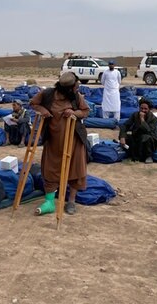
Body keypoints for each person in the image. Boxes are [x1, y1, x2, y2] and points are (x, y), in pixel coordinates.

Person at [30, 72, 90, 216]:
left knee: (75, 169)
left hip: (74, 140)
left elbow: (85, 111)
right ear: (67, 88)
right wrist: (43, 110)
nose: (77, 88)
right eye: (75, 86)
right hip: (53, 140)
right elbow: (33, 103)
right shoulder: (48, 94)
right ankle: (50, 202)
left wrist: (74, 112)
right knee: (50, 169)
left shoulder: (76, 97)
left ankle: (71, 201)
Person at [119, 98, 157, 164]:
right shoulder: (135, 115)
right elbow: (125, 126)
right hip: (137, 135)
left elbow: (148, 130)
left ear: (149, 109)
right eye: (141, 108)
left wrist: (142, 120)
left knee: (146, 138)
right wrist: (122, 137)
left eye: (145, 109)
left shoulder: (153, 118)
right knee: (127, 136)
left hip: (149, 138)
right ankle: (132, 155)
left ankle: (148, 156)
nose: (143, 110)